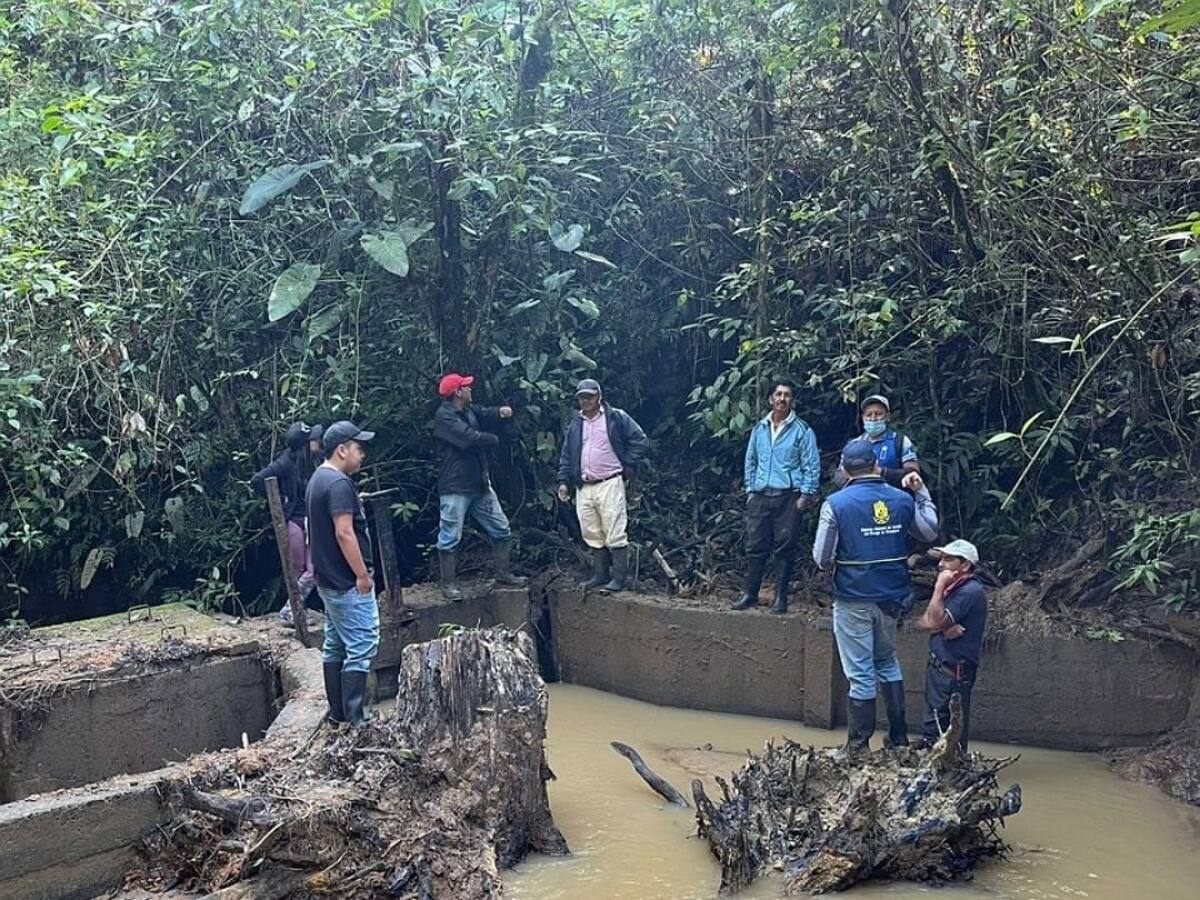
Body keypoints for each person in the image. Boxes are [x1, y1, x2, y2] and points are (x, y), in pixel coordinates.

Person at [812, 439, 939, 756]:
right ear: (876, 466)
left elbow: (822, 557)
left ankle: (857, 745)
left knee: (860, 672)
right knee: (887, 661)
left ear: (844, 469)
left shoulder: (836, 504)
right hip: (892, 597)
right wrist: (921, 492)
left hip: (853, 596)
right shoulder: (901, 500)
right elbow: (928, 532)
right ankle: (898, 738)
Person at [306, 420, 379, 726]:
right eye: (359, 449)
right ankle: (356, 719)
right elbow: (344, 533)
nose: (362, 455)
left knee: (335, 644)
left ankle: (338, 716)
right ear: (342, 449)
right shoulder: (338, 484)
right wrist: (362, 576)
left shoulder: (318, 479)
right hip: (346, 582)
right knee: (363, 643)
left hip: (327, 580)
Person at [433, 373, 527, 600]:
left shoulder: (467, 411)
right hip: (455, 486)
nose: (470, 390)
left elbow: (484, 412)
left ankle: (503, 573)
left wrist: (501, 412)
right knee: (450, 536)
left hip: (479, 484)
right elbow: (468, 438)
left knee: (501, 528)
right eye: (466, 387)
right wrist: (494, 439)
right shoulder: (445, 417)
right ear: (457, 392)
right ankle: (448, 585)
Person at [732, 378, 820, 614]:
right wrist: (750, 490)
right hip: (761, 495)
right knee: (755, 546)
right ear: (770, 399)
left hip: (788, 496)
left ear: (793, 400)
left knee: (785, 547)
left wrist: (805, 495)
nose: (782, 399)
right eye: (778, 394)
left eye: (787, 395)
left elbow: (811, 464)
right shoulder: (759, 429)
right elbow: (750, 460)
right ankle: (750, 593)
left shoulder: (802, 430)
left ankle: (781, 598)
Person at [555, 379, 650, 592]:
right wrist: (563, 481)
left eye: (589, 396)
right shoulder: (576, 423)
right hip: (584, 485)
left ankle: (618, 579)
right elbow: (567, 455)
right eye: (582, 397)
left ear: (599, 396)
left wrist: (626, 462)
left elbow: (640, 440)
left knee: (614, 529)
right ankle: (600, 575)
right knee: (591, 531)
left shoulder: (616, 417)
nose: (586, 400)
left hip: (609, 481)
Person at [916, 539, 988, 752]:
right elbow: (925, 622)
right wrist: (941, 627)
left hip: (952, 673)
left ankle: (948, 776)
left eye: (949, 559)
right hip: (940, 668)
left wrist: (938, 587)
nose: (941, 565)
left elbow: (932, 621)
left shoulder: (969, 592)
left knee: (946, 729)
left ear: (965, 565)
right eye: (942, 559)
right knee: (933, 726)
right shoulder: (955, 589)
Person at [251, 421, 323, 623]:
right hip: (294, 519)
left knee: (313, 568)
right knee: (297, 569)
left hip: (312, 519)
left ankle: (291, 608)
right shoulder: (284, 462)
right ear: (302, 444)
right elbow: (257, 480)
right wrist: (279, 497)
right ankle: (295, 610)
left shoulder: (314, 461)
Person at [836, 394, 920, 489]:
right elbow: (839, 475)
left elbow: (913, 472)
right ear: (862, 417)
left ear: (888, 416)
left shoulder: (900, 441)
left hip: (894, 498)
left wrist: (882, 472)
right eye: (868, 415)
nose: (873, 418)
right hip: (861, 498)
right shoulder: (854, 444)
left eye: (878, 414)